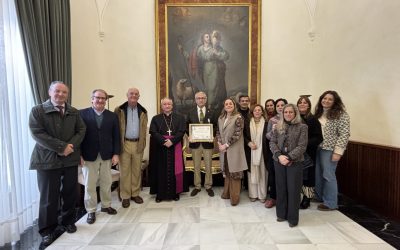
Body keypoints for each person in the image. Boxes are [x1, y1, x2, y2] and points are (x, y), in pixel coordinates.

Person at [29, 81, 86, 247]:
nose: (61, 95)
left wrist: (70, 147)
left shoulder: (73, 112)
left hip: (69, 159)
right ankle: (47, 230)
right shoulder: (38, 111)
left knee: (69, 193)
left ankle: (68, 222)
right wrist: (61, 147)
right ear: (50, 92)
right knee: (48, 197)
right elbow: (37, 133)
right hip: (47, 160)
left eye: (64, 92)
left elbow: (81, 130)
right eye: (57, 91)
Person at [80, 89, 121, 224]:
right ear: (92, 99)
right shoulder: (82, 114)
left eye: (103, 98)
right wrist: (79, 154)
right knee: (90, 185)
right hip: (88, 155)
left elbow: (116, 136)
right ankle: (91, 210)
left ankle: (106, 205)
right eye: (97, 98)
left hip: (106, 154)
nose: (100, 100)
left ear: (106, 100)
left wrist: (116, 154)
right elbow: (78, 137)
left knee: (106, 182)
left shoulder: (112, 116)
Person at [270, 104, 308, 227]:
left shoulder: (302, 127)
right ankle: (281, 214)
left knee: (293, 190)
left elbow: (302, 146)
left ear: (295, 113)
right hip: (279, 161)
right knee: (281, 188)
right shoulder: (278, 126)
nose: (288, 114)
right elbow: (272, 142)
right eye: (286, 112)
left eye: (291, 112)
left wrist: (289, 157)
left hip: (295, 162)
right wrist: (279, 156)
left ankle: (292, 218)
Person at [314, 90, 350, 211]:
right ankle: (319, 196)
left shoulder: (341, 114)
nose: (326, 101)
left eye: (330, 99)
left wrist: (338, 152)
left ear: (335, 102)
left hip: (330, 149)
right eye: (324, 98)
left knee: (328, 175)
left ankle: (331, 203)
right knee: (318, 174)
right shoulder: (318, 113)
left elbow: (344, 134)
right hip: (318, 148)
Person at [149, 97, 188, 202]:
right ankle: (160, 194)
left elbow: (181, 131)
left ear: (172, 106)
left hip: (175, 146)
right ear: (161, 106)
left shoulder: (179, 118)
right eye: (165, 104)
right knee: (160, 170)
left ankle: (175, 193)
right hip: (160, 148)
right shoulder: (155, 118)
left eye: (169, 104)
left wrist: (172, 141)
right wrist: (163, 141)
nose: (167, 106)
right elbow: (153, 131)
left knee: (175, 169)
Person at [115, 88, 148, 208]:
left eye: (136, 94)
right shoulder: (119, 110)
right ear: (127, 95)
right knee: (125, 171)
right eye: (131, 94)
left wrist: (143, 143)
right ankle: (125, 196)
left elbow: (144, 129)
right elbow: (116, 129)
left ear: (139, 96)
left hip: (138, 144)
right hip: (125, 144)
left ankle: (135, 194)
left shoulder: (143, 111)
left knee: (136, 170)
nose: (133, 95)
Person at [217, 98, 248, 206]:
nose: (229, 105)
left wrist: (226, 145)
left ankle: (234, 198)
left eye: (231, 103)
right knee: (227, 171)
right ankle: (226, 193)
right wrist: (220, 143)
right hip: (224, 150)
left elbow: (237, 134)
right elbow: (218, 132)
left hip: (234, 150)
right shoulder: (221, 118)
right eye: (226, 104)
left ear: (234, 105)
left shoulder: (238, 117)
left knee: (235, 173)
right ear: (224, 106)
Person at [186, 91, 216, 197]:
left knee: (208, 166)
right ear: (195, 100)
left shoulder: (212, 112)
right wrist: (189, 136)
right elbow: (187, 126)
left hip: (208, 144)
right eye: (198, 98)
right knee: (196, 166)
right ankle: (197, 186)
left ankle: (208, 186)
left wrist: (213, 135)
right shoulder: (190, 112)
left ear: (206, 99)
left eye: (203, 98)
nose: (201, 100)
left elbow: (215, 126)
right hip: (195, 144)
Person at [297, 96, 323, 209]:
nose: (302, 104)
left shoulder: (313, 119)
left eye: (305, 103)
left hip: (309, 154)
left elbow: (318, 138)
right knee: (298, 176)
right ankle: (297, 196)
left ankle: (307, 199)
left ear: (308, 105)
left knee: (308, 177)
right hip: (296, 153)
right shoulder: (295, 118)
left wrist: (304, 144)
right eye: (300, 102)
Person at [197, 30, 229, 111]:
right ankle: (207, 105)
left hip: (214, 69)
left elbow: (225, 55)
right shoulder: (200, 48)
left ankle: (211, 106)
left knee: (213, 87)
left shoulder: (214, 47)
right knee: (207, 88)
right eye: (207, 37)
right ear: (203, 38)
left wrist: (217, 53)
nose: (209, 38)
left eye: (209, 37)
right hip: (205, 69)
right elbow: (196, 58)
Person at [265, 98, 288, 208]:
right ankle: (273, 197)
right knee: (273, 175)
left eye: (282, 105)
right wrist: (273, 131)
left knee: (285, 176)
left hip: (288, 153)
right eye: (278, 105)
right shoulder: (272, 120)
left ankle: (284, 198)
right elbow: (267, 136)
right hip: (274, 152)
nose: (280, 107)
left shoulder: (290, 119)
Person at [243, 104, 268, 202]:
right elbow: (244, 136)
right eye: (255, 110)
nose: (257, 112)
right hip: (251, 151)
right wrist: (249, 143)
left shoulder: (267, 123)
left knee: (262, 173)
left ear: (262, 112)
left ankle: (262, 195)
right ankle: (253, 194)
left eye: (259, 110)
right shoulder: (247, 123)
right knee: (252, 172)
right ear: (252, 112)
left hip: (263, 152)